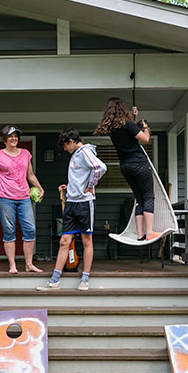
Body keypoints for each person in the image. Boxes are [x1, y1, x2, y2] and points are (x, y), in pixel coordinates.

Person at [37, 127, 106, 291]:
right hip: (71, 202)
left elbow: (100, 168)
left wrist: (91, 185)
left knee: (86, 240)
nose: (64, 149)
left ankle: (85, 279)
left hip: (84, 203)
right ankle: (54, 280)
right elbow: (80, 175)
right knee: (64, 241)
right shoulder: (76, 155)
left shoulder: (84, 151)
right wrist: (70, 188)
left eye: (65, 145)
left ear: (71, 141)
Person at [0, 125, 45, 274]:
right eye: (10, 136)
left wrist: (39, 188)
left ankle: (29, 264)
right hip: (5, 197)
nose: (14, 138)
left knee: (30, 230)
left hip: (24, 197)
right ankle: (12, 265)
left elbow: (30, 174)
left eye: (16, 136)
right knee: (9, 231)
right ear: (4, 139)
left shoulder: (25, 153)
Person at [94, 97, 157, 241]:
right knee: (148, 197)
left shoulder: (112, 128)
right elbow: (145, 139)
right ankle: (149, 233)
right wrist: (145, 127)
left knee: (139, 199)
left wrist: (134, 117)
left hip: (125, 166)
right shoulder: (127, 124)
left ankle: (140, 234)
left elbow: (128, 131)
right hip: (139, 164)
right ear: (122, 108)